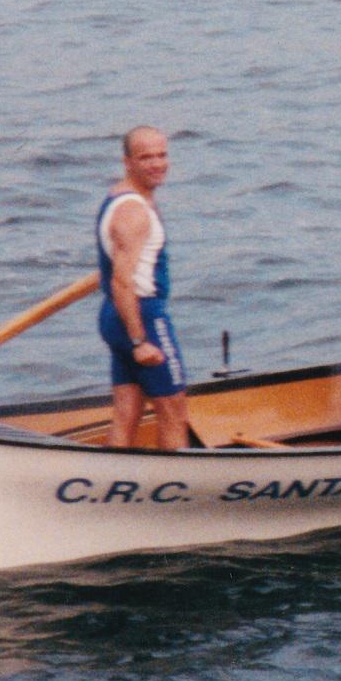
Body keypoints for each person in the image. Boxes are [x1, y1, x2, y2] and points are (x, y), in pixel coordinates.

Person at [98, 125, 189, 450]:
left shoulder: (118, 197)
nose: (157, 164)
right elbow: (122, 281)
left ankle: (110, 487)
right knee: (174, 410)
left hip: (113, 315)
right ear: (127, 162)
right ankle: (175, 493)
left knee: (127, 410)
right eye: (146, 157)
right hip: (141, 316)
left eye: (162, 155)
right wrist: (139, 340)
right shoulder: (134, 212)